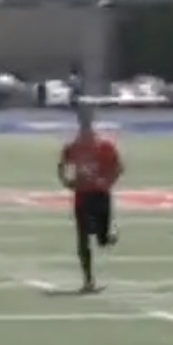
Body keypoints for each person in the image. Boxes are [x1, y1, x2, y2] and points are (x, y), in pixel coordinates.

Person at [57, 106, 123, 293]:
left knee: (101, 239)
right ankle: (88, 280)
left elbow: (118, 168)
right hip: (82, 195)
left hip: (100, 195)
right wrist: (66, 181)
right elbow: (62, 164)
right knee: (83, 237)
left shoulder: (104, 145)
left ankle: (109, 235)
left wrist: (106, 182)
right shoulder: (74, 146)